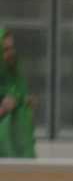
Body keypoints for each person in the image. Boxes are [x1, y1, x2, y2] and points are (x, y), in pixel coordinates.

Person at [0, 28, 35, 159]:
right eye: (5, 50)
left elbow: (19, 95)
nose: (11, 53)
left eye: (12, 48)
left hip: (18, 162)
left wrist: (24, 103)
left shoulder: (15, 76)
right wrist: (3, 109)